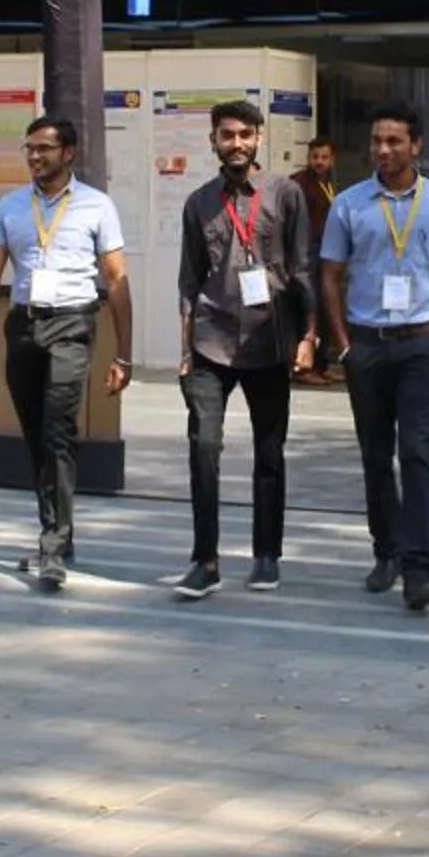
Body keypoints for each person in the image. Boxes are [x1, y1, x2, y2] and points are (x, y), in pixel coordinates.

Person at [321, 103, 429, 612]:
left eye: (393, 141)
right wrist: (343, 344)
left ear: (416, 146)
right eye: (376, 141)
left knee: (415, 455)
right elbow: (329, 275)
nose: (383, 150)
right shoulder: (349, 204)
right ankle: (385, 552)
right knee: (375, 456)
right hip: (367, 344)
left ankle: (418, 568)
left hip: (420, 345)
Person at [0, 114, 132, 590]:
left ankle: (53, 547)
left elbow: (116, 278)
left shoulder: (97, 206)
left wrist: (124, 353)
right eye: (30, 148)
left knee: (58, 430)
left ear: (68, 153)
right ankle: (59, 531)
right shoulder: (11, 206)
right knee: (37, 434)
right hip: (23, 325)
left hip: (72, 323)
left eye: (44, 148)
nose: (35, 156)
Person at [172, 99, 317, 599]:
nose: (236, 144)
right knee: (203, 448)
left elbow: (303, 268)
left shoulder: (286, 194)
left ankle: (266, 555)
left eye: (244, 135)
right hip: (210, 341)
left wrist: (309, 336)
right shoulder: (198, 203)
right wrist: (185, 350)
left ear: (259, 138)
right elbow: (189, 280)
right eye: (227, 135)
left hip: (269, 341)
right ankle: (204, 561)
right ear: (213, 140)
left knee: (269, 452)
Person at [292, 137, 340, 382]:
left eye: (324, 157)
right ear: (308, 158)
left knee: (325, 307)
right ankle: (303, 367)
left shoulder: (329, 183)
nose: (319, 162)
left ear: (332, 160)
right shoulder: (298, 183)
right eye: (315, 157)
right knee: (307, 308)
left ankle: (322, 364)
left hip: (326, 252)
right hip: (306, 253)